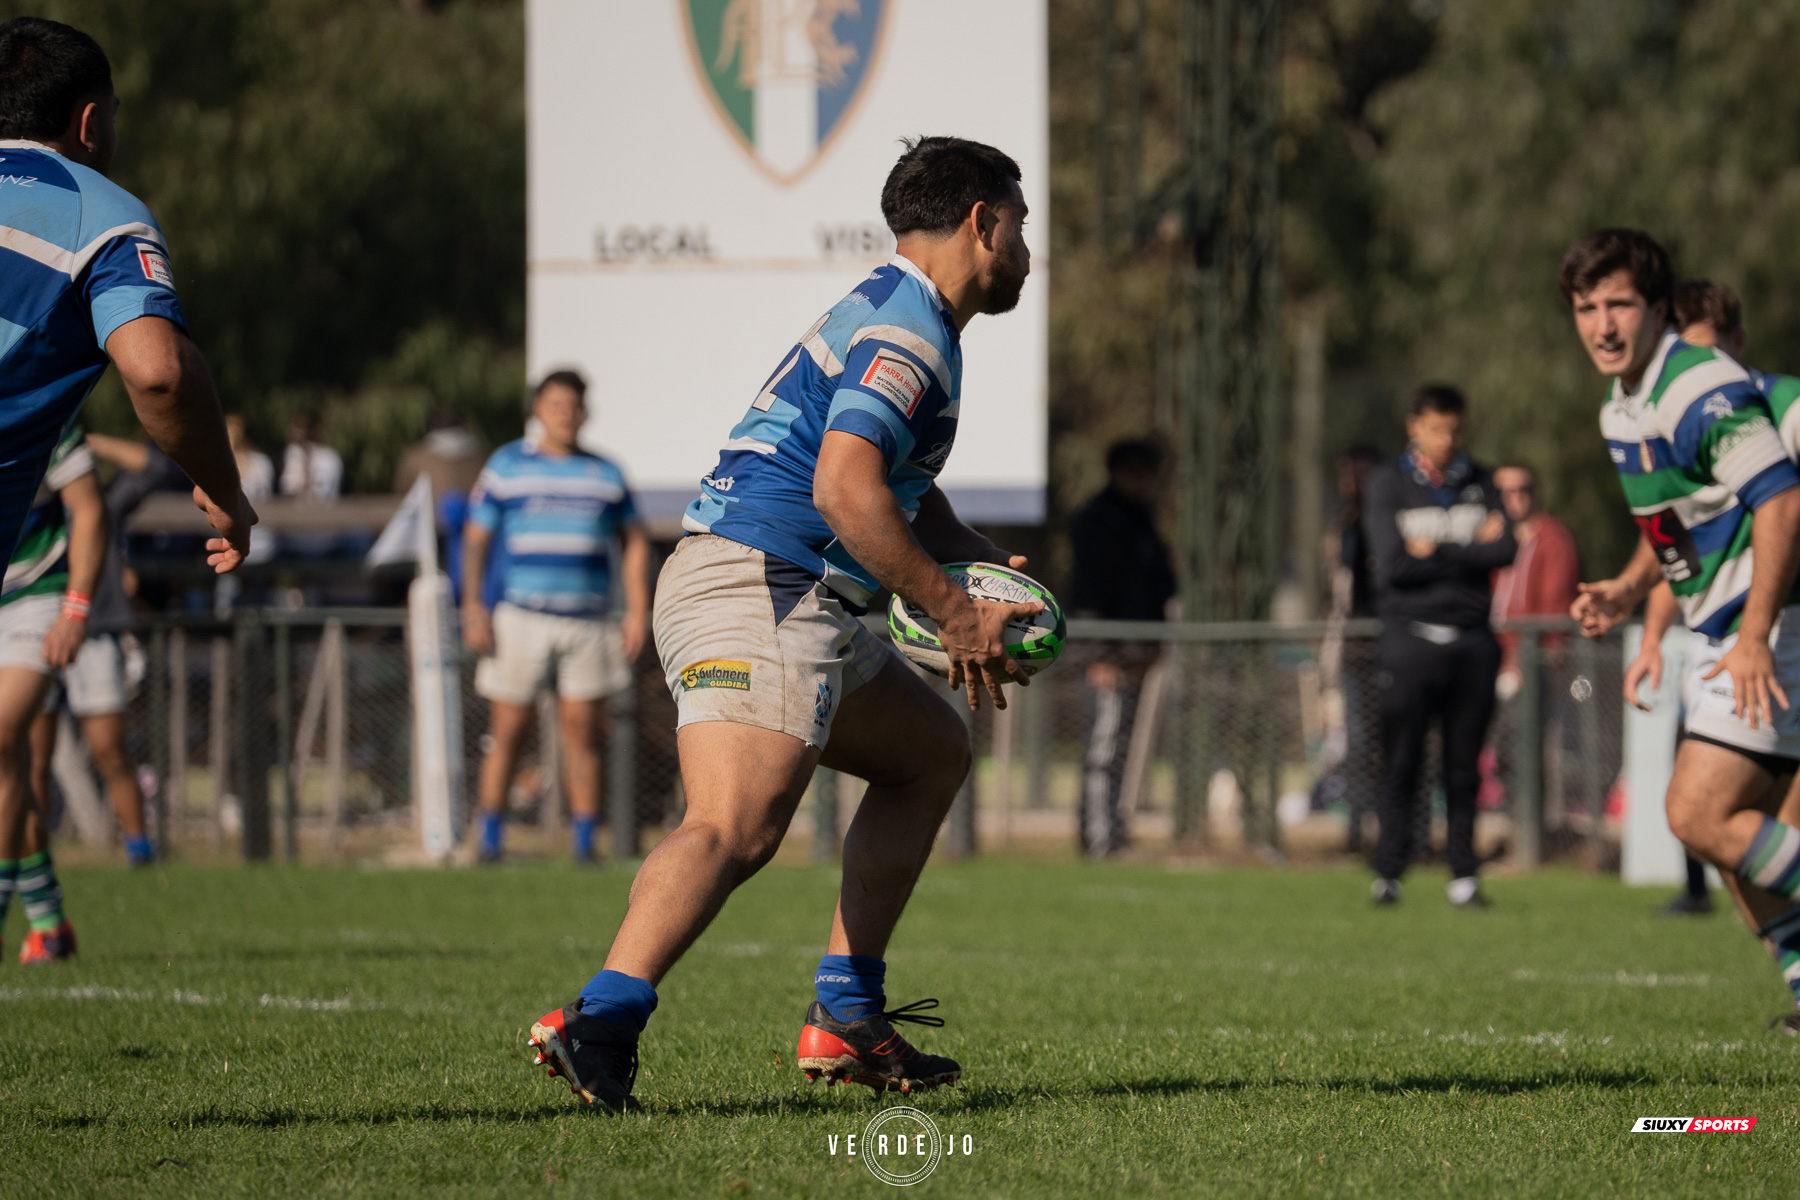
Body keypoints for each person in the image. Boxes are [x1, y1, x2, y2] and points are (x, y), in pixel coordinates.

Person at [525, 136, 1038, 1111]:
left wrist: (971, 565)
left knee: (930, 751)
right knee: (736, 826)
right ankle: (600, 1019)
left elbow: (898, 493)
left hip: (796, 594)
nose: (1025, 247)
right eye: (1021, 225)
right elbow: (845, 489)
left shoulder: (910, 319)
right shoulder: (910, 333)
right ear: (982, 223)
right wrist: (950, 611)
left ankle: (846, 1015)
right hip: (762, 583)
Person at [0, 18, 251, 955]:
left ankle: (43, 919)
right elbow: (157, 372)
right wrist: (222, 489)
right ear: (91, 119)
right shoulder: (99, 213)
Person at [1563, 231, 1800, 1035]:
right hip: (1728, 630)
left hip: (1770, 632)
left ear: (1658, 308)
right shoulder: (1622, 403)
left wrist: (1759, 632)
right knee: (1749, 862)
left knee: (1698, 815)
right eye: (1586, 307)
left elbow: (1780, 502)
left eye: (1619, 304)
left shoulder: (1698, 391)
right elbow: (1672, 527)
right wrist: (1630, 592)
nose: (1602, 324)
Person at [461, 372, 650, 864]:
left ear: (585, 412)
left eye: (574, 405)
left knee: (583, 730)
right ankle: (489, 839)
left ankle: (584, 844)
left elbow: (633, 542)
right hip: (520, 617)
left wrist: (636, 611)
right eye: (555, 404)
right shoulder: (506, 465)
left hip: (587, 620)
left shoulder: (606, 473)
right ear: (538, 410)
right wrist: (473, 606)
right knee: (508, 729)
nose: (565, 414)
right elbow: (475, 540)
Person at [1363, 385, 1516, 907]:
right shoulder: (1387, 484)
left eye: (1454, 429)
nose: (1446, 439)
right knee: (1401, 761)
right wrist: (1471, 549)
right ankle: (1389, 871)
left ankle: (1464, 876)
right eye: (1436, 428)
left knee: (1464, 766)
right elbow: (1394, 564)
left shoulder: (1482, 480)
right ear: (1414, 427)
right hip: (1410, 641)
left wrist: (1440, 548)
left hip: (1473, 642)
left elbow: (1506, 549)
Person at [0, 426, 104, 960]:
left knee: (1, 739)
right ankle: (49, 922)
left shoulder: (45, 405)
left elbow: (87, 509)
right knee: (10, 764)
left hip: (35, 596)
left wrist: (76, 607)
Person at [1066, 438, 1175, 858]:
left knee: (1118, 747)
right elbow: (1090, 593)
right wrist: (1098, 655)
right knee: (1104, 746)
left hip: (1135, 652)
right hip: (1107, 656)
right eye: (1135, 472)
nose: (1143, 481)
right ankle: (1099, 836)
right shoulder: (1099, 521)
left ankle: (1111, 825)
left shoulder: (1140, 521)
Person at [1489, 462, 1580, 694]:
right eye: (1506, 491)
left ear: (1535, 492)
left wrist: (1539, 655)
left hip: (1533, 659)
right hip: (1488, 656)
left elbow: (1557, 602)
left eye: (1523, 489)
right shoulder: (1488, 536)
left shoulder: (1553, 539)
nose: (1515, 497)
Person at [280, 410, 343, 501]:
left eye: (303, 429)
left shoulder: (330, 458)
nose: (298, 433)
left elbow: (327, 491)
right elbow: (287, 487)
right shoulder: (292, 453)